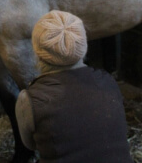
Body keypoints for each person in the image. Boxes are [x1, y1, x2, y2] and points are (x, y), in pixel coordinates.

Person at [15, 10, 133, 163]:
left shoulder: (29, 100)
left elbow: (30, 145)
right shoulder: (108, 81)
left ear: (37, 52)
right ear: (83, 46)